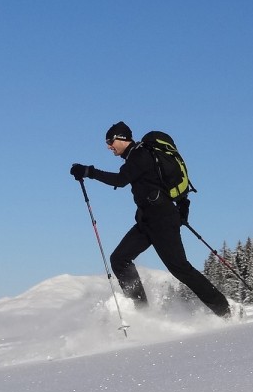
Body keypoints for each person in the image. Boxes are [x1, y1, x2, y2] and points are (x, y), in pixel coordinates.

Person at [70, 121, 234, 319]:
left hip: (161, 220)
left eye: (110, 140)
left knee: (180, 268)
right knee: (119, 259)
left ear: (121, 138)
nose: (108, 146)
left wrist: (89, 172)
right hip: (147, 220)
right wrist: (182, 208)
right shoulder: (136, 156)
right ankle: (142, 312)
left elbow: (120, 181)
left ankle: (224, 310)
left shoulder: (139, 155)